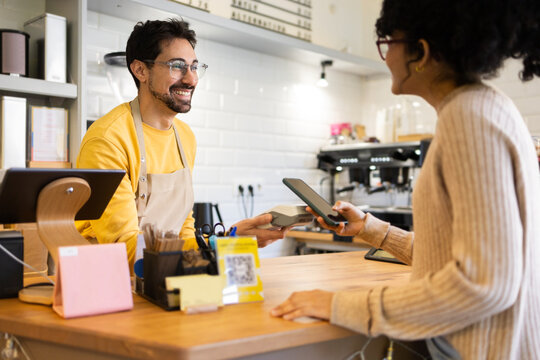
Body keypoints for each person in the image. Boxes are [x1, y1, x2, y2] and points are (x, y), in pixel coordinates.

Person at [271, 0, 540, 358]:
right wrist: (372, 229)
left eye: (388, 43)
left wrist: (340, 305)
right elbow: (449, 258)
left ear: (421, 52)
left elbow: (484, 284)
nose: (386, 57)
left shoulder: (468, 119)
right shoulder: (484, 108)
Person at [76, 18, 287, 270]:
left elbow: (183, 226)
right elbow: (125, 249)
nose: (191, 79)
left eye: (194, 67)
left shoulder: (184, 136)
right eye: (177, 66)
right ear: (140, 70)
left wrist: (225, 243)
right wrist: (222, 243)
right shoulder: (108, 139)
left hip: (165, 274)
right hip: (108, 280)